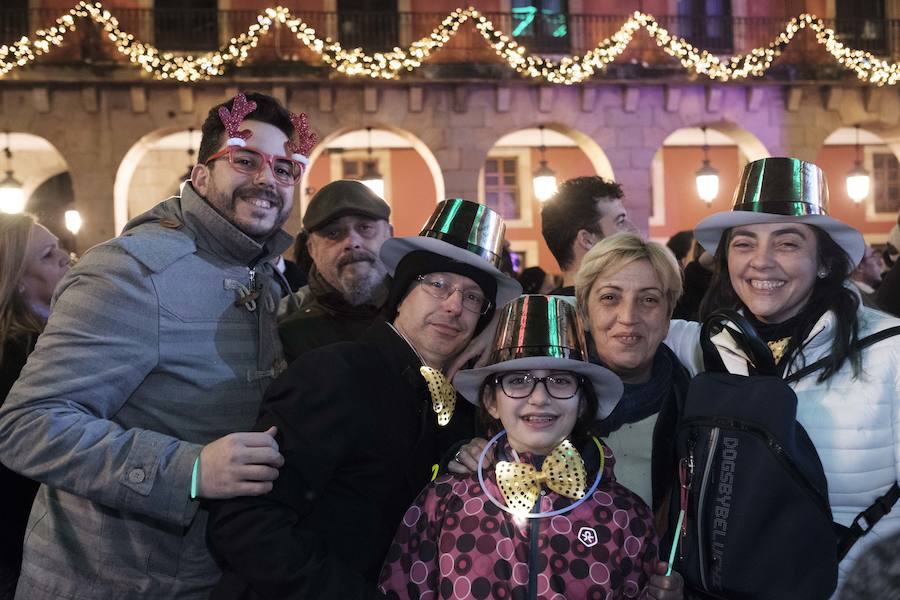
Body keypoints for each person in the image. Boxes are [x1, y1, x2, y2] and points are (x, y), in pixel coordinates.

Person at [0, 91, 316, 599]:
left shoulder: (263, 274)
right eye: (245, 159)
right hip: (107, 582)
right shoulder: (129, 272)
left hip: (211, 577)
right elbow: (27, 424)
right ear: (201, 176)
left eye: (284, 169)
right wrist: (189, 470)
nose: (266, 179)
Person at [206, 198, 522, 599]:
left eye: (473, 297)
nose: (454, 306)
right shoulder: (335, 373)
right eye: (437, 284)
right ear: (402, 293)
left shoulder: (457, 401)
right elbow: (246, 521)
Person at [663, 156, 900, 593]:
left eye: (787, 244)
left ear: (825, 263)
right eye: (744, 243)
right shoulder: (715, 345)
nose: (761, 262)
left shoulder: (890, 350)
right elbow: (631, 328)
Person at [381, 295, 682, 599]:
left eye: (561, 381)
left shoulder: (626, 516)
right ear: (491, 402)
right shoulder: (443, 502)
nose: (539, 398)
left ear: (582, 403)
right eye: (519, 380)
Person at [574, 233, 691, 511]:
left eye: (648, 300)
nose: (628, 317)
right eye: (610, 297)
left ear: (667, 317)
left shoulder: (696, 409)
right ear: (585, 314)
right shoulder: (540, 397)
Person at [0, 214, 70, 599]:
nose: (65, 257)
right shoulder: (23, 353)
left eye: (59, 246)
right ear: (18, 281)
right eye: (48, 254)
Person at [278, 180, 393, 361]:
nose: (352, 242)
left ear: (389, 235)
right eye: (333, 233)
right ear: (311, 249)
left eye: (365, 228)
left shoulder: (426, 310)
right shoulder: (284, 328)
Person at [541, 175, 636, 296]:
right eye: (620, 222)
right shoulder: (608, 311)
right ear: (586, 240)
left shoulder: (545, 310)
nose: (632, 230)